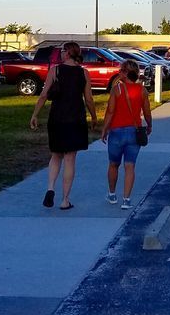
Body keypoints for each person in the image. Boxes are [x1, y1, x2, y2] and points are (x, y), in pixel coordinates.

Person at [30, 41, 97, 210]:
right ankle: (65, 200)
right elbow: (88, 98)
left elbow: (44, 95)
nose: (60, 54)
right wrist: (94, 116)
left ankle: (50, 188)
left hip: (57, 118)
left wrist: (35, 114)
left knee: (55, 155)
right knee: (70, 159)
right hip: (75, 119)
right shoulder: (84, 73)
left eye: (62, 51)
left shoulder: (55, 70)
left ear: (68, 53)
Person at [101, 60, 152, 209]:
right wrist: (149, 125)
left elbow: (110, 111)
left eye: (121, 70)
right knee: (130, 166)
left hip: (116, 131)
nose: (119, 72)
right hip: (133, 132)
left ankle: (112, 194)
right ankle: (126, 199)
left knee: (113, 164)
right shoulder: (142, 90)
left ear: (125, 72)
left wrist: (105, 128)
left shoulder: (117, 89)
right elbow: (147, 112)